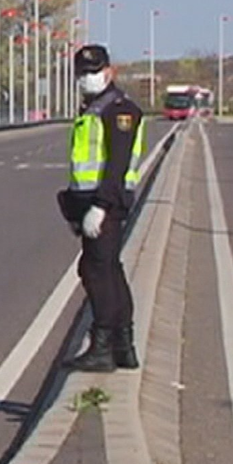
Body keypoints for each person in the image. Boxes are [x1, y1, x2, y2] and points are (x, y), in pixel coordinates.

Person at [59, 44, 146, 373]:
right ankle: (123, 345)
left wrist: (100, 206)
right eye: (81, 73)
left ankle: (104, 345)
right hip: (92, 205)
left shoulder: (118, 110)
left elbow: (116, 164)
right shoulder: (94, 109)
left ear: (110, 72)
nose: (86, 78)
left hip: (105, 205)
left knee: (96, 271)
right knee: (108, 269)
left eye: (93, 72)